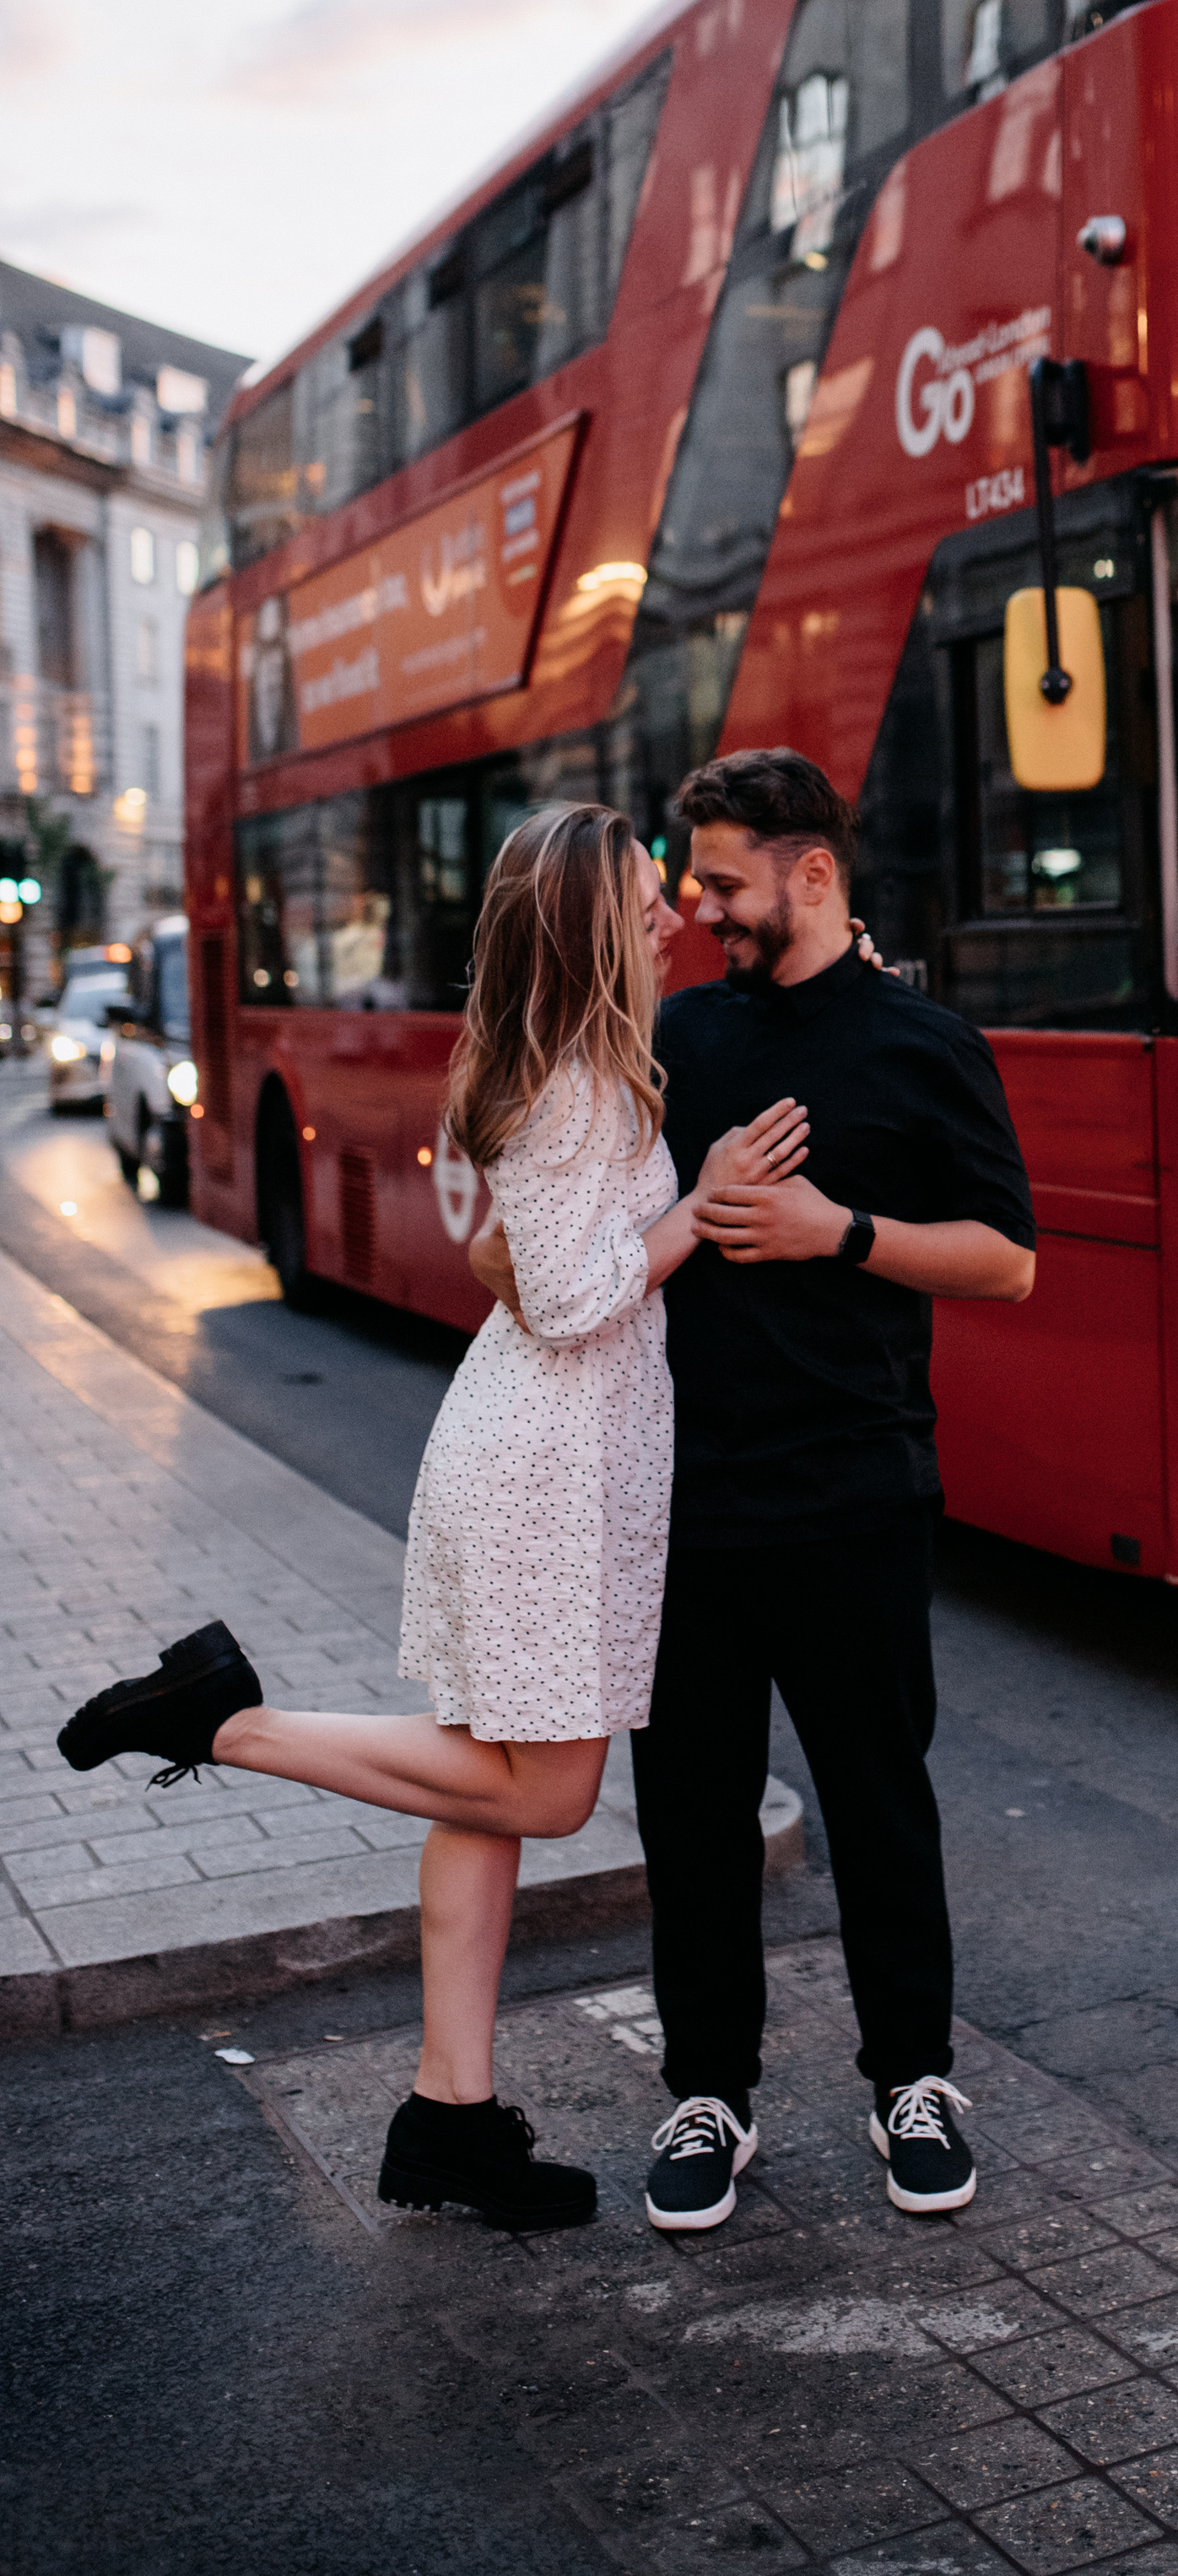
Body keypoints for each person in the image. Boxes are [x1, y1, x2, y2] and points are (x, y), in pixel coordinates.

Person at [54, 804, 807, 2232]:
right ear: (593, 922)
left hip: (532, 1450)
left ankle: (450, 2116)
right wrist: (705, 1206)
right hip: (547, 1474)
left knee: (482, 1791)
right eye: (648, 899)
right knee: (547, 1794)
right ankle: (228, 1724)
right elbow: (576, 1300)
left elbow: (515, 1259)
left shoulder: (564, 1063)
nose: (674, 917)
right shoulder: (581, 1086)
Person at [473, 746, 1036, 2234]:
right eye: (693, 884)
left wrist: (836, 1230)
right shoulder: (669, 1043)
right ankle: (708, 2095)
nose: (702, 910)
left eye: (723, 884)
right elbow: (564, 1228)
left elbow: (1007, 1260)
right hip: (682, 1502)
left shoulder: (927, 1044)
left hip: (859, 1492)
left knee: (881, 1804)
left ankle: (913, 2081)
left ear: (814, 872)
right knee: (694, 1822)